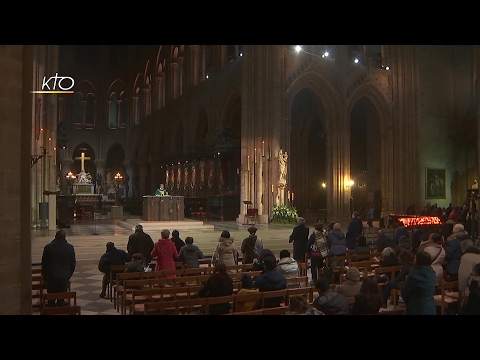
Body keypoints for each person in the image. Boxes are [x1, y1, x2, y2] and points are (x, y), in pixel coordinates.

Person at [41, 229, 76, 306]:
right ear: (65, 237)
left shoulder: (48, 247)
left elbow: (44, 263)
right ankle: (61, 305)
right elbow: (73, 264)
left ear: (55, 237)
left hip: (51, 276)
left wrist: (45, 277)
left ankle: (51, 307)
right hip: (64, 276)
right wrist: (68, 275)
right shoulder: (69, 247)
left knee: (51, 298)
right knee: (61, 297)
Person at [401, 250, 437, 315]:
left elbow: (405, 293)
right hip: (430, 307)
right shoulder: (432, 273)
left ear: (417, 261)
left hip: (417, 308)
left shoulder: (414, 275)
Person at [458, 239, 480, 310]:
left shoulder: (466, 257)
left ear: (463, 248)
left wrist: (461, 289)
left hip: (473, 286)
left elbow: (464, 275)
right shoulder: (478, 254)